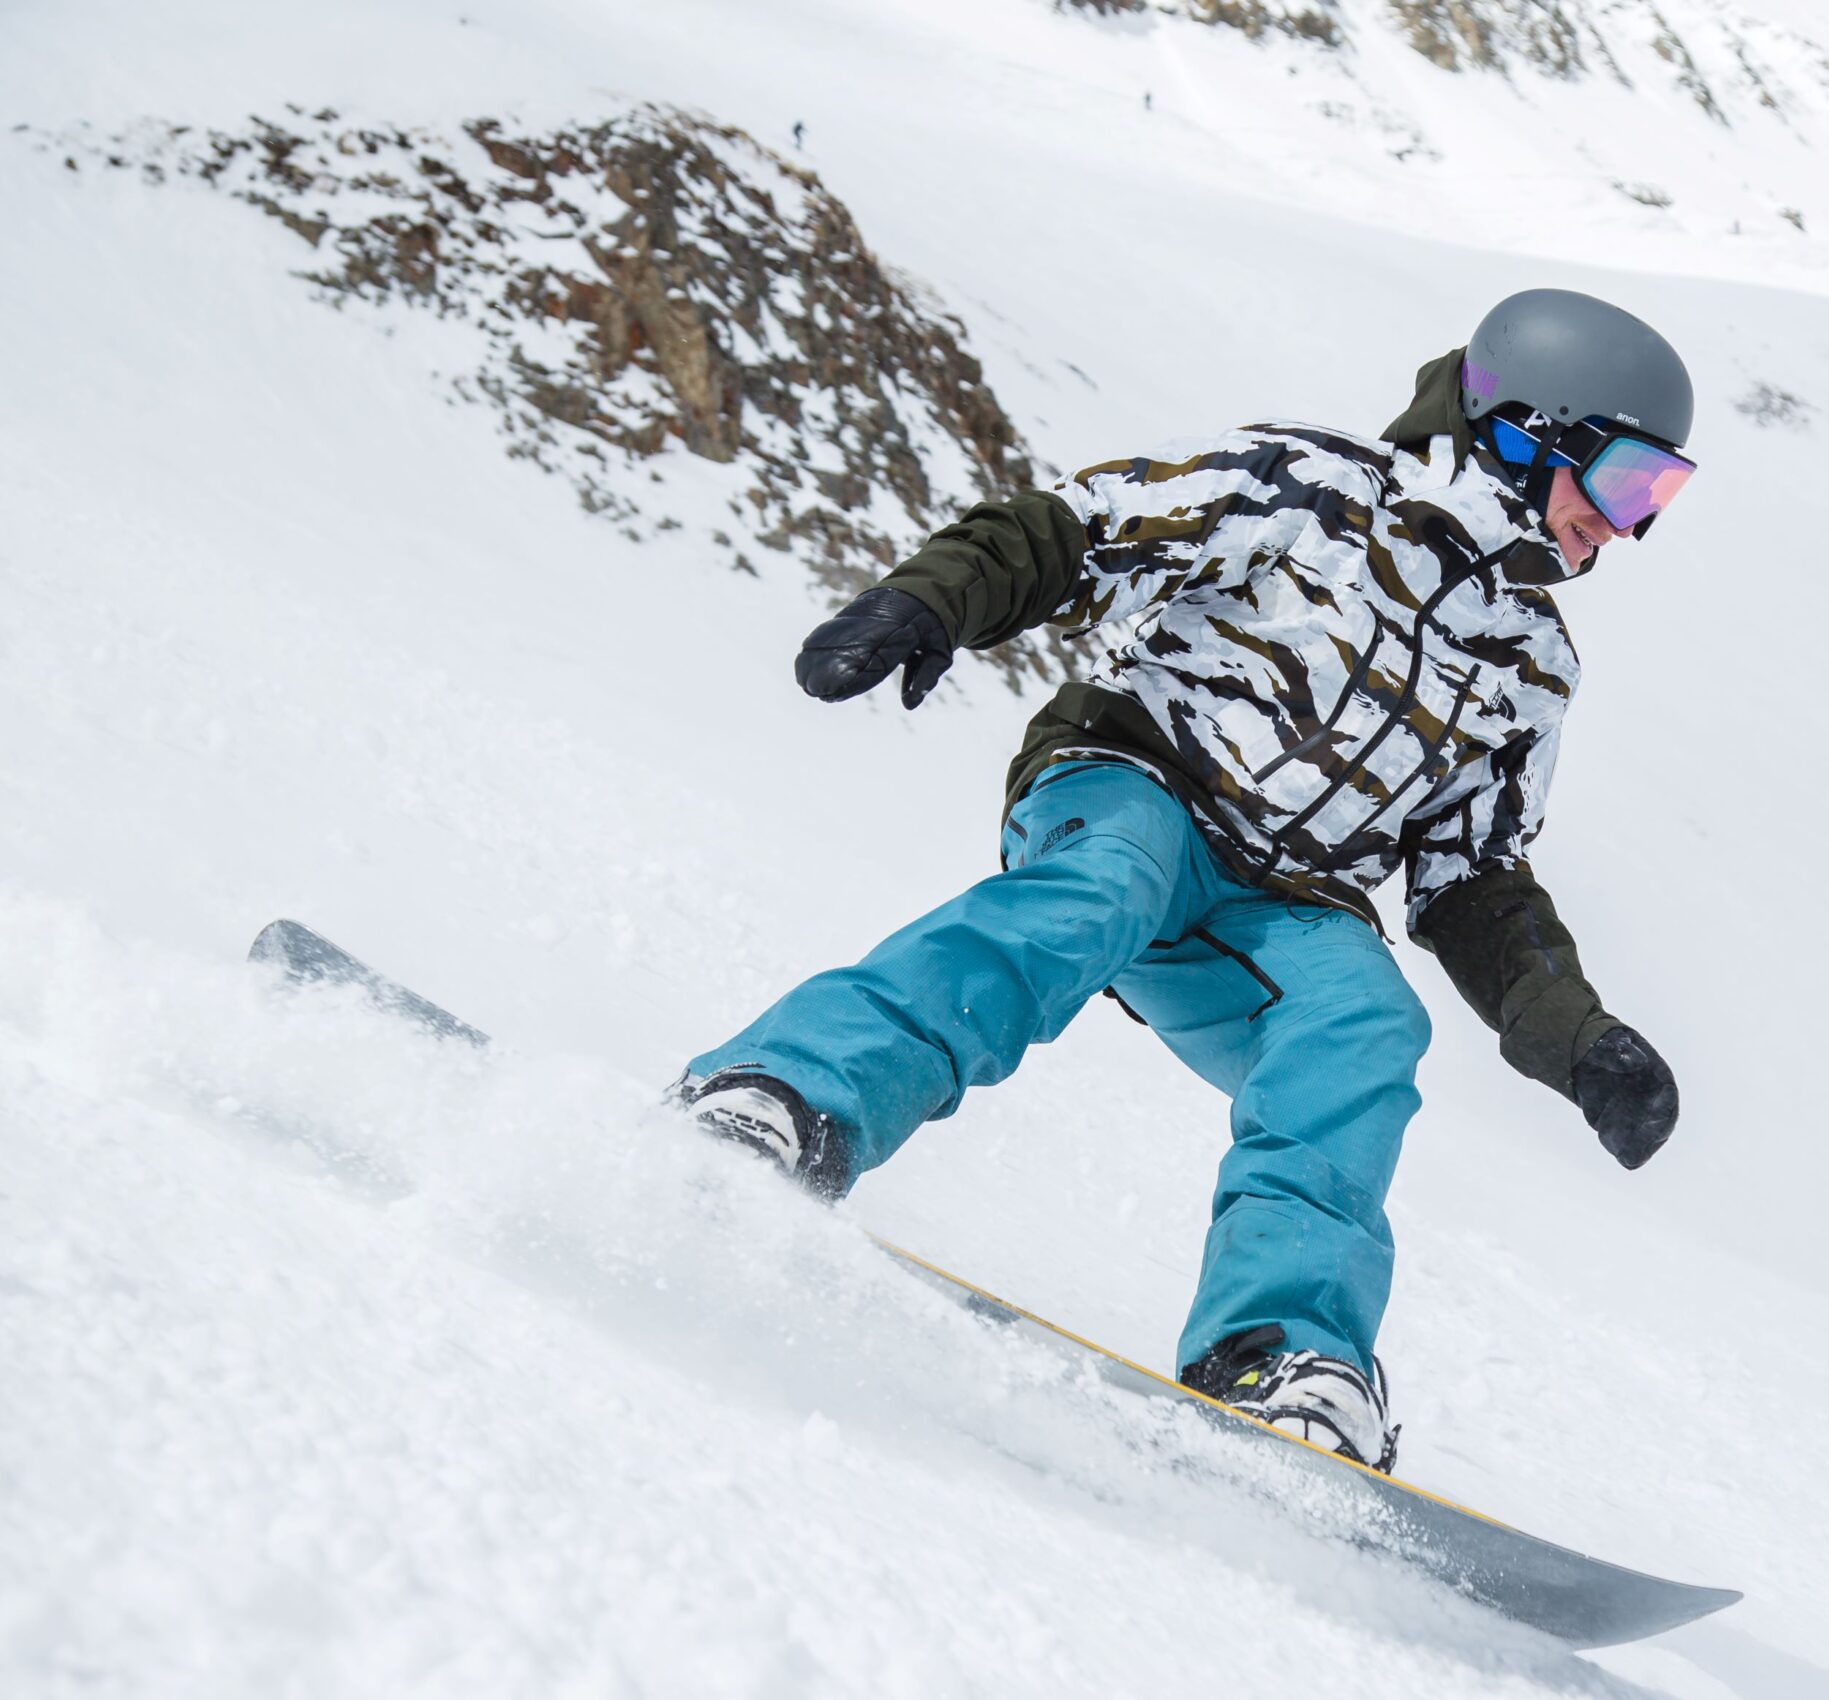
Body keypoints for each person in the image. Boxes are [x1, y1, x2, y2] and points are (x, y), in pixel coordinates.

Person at [674, 289, 1697, 1471]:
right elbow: (1086, 530)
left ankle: (1277, 1357)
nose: (1623, 528)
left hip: (1286, 900)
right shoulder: (1310, 491)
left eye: (1657, 501)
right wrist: (928, 600)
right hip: (1134, 781)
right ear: (1526, 429)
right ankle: (786, 1100)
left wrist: (1575, 1038)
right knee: (1097, 891)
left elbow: (1472, 874)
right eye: (1623, 484)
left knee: (1365, 1021)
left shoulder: (1532, 662)